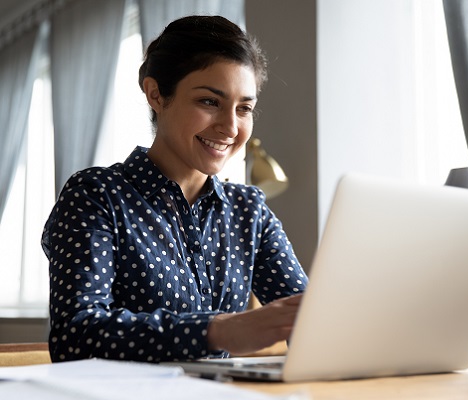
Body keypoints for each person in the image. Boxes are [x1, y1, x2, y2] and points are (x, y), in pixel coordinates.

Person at [42, 15, 308, 363]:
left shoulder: (249, 210)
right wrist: (218, 330)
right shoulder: (96, 195)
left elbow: (308, 320)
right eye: (210, 101)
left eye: (244, 108)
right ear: (156, 94)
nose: (230, 127)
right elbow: (74, 335)